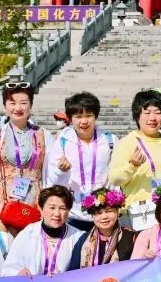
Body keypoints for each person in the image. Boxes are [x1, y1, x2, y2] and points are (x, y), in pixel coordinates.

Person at [0, 83, 55, 236]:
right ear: (5, 106)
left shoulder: (44, 135)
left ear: (30, 105)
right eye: (12, 103)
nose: (18, 108)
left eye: (23, 103)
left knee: (32, 242)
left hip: (34, 200)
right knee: (2, 243)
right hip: (2, 201)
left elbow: (51, 172)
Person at [47, 91, 118, 231]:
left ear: (96, 116)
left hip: (103, 214)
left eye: (88, 115)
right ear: (70, 119)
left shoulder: (110, 140)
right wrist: (61, 171)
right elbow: (52, 182)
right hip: (73, 214)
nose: (84, 121)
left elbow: (116, 179)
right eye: (78, 117)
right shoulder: (62, 142)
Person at [109, 89, 161, 231]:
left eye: (157, 112)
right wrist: (132, 165)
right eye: (147, 112)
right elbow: (115, 179)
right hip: (136, 217)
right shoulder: (126, 143)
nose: (153, 118)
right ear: (137, 116)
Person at [3, 185, 84, 277]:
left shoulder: (78, 237)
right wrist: (19, 273)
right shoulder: (28, 234)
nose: (57, 214)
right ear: (41, 209)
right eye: (52, 208)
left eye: (62, 208)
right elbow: (8, 270)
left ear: (68, 211)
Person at [67, 187, 135, 270]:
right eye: (98, 213)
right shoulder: (83, 240)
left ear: (117, 212)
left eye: (109, 211)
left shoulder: (131, 237)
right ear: (92, 216)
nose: (104, 217)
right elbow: (73, 272)